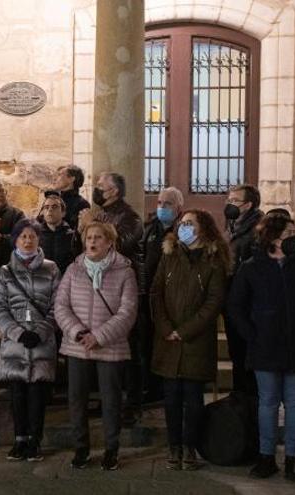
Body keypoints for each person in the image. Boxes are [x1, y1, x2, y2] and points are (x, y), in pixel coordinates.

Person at [227, 215, 295, 482]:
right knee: (268, 403)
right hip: (265, 348)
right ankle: (266, 456)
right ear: (272, 238)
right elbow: (236, 306)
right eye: (288, 232)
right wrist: (252, 334)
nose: (293, 238)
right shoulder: (252, 268)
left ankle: (292, 459)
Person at [150, 209, 230, 471]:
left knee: (193, 399)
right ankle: (174, 445)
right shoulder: (169, 255)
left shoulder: (213, 260)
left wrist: (185, 331)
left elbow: (213, 301)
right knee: (171, 399)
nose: (183, 227)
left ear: (202, 228)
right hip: (168, 339)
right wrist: (165, 327)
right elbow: (156, 292)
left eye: (189, 223)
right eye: (181, 223)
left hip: (195, 341)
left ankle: (190, 446)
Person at [56, 221, 138, 471]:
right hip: (78, 343)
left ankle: (111, 449)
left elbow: (128, 311)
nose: (92, 241)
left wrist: (99, 336)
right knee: (77, 398)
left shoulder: (125, 271)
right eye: (89, 237)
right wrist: (78, 332)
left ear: (110, 242)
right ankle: (81, 448)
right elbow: (61, 306)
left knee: (111, 399)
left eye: (98, 237)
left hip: (109, 345)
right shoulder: (74, 269)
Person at [0, 219, 60, 462]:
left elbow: (58, 306)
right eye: (23, 236)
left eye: (32, 236)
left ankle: (35, 440)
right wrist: (17, 332)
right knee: (18, 394)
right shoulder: (4, 272)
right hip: (15, 344)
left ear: (38, 240)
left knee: (37, 396)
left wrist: (41, 331)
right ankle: (19, 439)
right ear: (15, 240)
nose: (28, 240)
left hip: (41, 342)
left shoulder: (51, 269)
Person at [85, 172, 144, 425]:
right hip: (99, 289)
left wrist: (92, 228)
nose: (97, 189)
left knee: (128, 350)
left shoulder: (130, 217)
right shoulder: (99, 215)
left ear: (115, 192)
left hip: (122, 290)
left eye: (101, 186)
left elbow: (123, 246)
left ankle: (131, 404)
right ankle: (108, 399)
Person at [137, 187, 184, 405]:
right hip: (149, 295)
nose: (162, 208)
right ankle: (150, 386)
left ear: (179, 208)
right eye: (159, 203)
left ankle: (168, 388)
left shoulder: (184, 230)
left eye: (167, 204)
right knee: (147, 343)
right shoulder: (149, 229)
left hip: (172, 298)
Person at [223, 183, 264, 397]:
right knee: (236, 352)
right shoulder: (232, 224)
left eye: (235, 201)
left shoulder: (258, 228)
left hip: (247, 301)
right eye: (229, 199)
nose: (229, 204)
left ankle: (249, 398)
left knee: (246, 353)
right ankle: (239, 395)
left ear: (248, 205)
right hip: (232, 298)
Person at [37, 191, 81, 273]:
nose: (50, 210)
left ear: (63, 213)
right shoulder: (36, 235)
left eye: (54, 207)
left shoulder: (72, 236)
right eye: (46, 207)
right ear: (42, 212)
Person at [53, 165, 90, 229]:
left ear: (71, 179)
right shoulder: (53, 200)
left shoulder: (82, 204)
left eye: (59, 175)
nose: (55, 178)